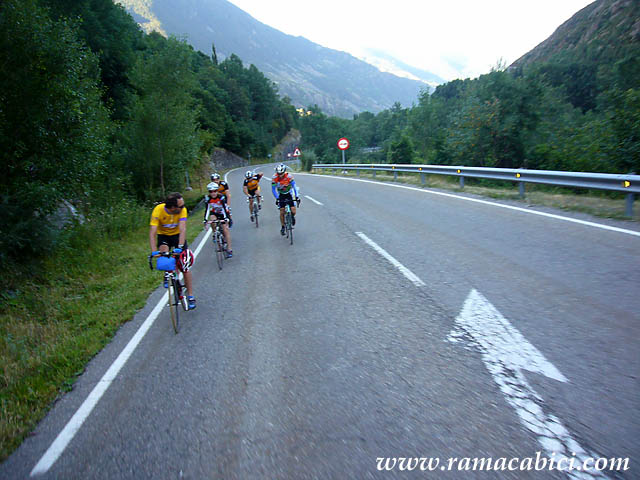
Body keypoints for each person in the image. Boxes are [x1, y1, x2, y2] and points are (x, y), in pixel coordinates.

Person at [149, 192, 196, 309]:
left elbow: (182, 228)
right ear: (173, 207)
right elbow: (152, 232)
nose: (183, 207)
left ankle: (190, 295)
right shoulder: (158, 210)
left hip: (177, 236)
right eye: (180, 206)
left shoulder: (182, 210)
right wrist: (154, 251)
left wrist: (180, 247)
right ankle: (168, 273)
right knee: (164, 253)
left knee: (185, 266)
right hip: (164, 236)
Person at [204, 182, 233, 257]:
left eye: (215, 191)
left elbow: (224, 208)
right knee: (212, 219)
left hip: (223, 213)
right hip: (215, 212)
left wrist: (226, 218)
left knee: (225, 230)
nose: (213, 193)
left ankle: (229, 249)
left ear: (217, 191)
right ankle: (215, 233)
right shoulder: (208, 199)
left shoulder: (221, 197)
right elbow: (207, 210)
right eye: (211, 191)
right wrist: (205, 220)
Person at [271, 164, 300, 236]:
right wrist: (277, 198)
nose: (280, 175)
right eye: (279, 173)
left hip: (289, 193)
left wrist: (296, 196)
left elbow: (294, 187)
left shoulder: (289, 176)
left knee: (293, 210)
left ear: (284, 171)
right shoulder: (274, 177)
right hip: (281, 194)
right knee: (282, 212)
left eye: (281, 173)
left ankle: (292, 217)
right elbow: (273, 190)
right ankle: (283, 226)